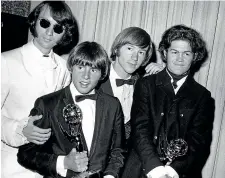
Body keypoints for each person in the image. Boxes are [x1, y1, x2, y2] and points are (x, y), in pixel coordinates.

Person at [17, 41, 125, 178]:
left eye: (93, 70)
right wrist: (63, 163)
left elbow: (118, 150)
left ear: (102, 74)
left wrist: (110, 176)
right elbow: (25, 154)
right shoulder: (48, 104)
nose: (86, 76)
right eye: (80, 67)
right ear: (71, 67)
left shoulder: (113, 105)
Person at [122, 24, 215, 178]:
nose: (180, 59)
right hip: (141, 168)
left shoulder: (202, 96)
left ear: (195, 56)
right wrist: (157, 170)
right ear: (165, 53)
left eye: (186, 53)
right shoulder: (145, 84)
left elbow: (198, 140)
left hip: (180, 172)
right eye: (174, 52)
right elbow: (140, 129)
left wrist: (172, 171)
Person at [1, 1, 78, 178]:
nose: (49, 32)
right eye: (45, 23)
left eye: (58, 28)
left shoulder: (64, 68)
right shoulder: (6, 61)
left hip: (48, 166)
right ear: (34, 22)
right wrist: (18, 129)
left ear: (65, 33)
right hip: (11, 165)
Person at [98, 27, 164, 144]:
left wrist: (164, 77)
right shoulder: (96, 76)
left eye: (141, 52)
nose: (135, 58)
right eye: (130, 48)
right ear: (117, 49)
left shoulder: (144, 85)